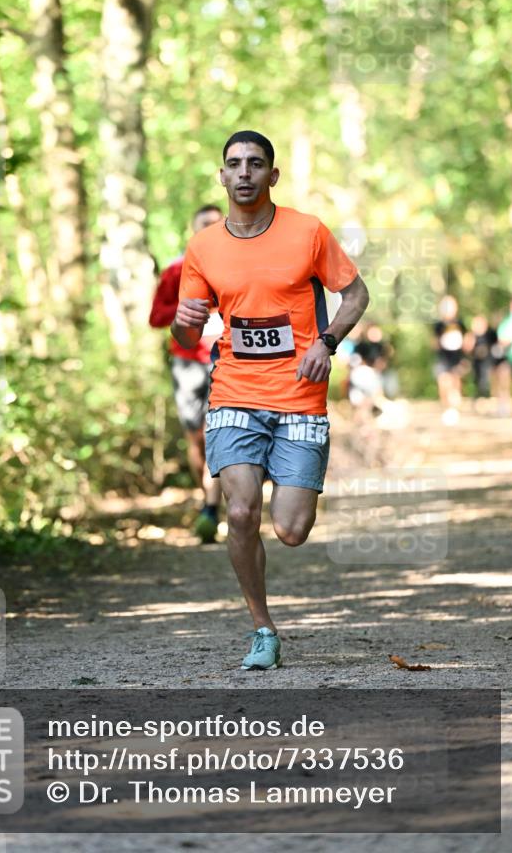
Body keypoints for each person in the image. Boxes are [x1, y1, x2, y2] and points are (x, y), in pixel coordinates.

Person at [171, 131, 369, 670]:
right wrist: (181, 323)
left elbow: (356, 294)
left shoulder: (307, 232)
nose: (244, 173)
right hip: (234, 393)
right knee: (240, 511)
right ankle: (262, 628)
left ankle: (291, 506)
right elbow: (188, 334)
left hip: (300, 395)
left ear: (272, 175)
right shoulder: (204, 246)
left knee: (291, 530)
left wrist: (327, 343)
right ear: (222, 176)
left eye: (255, 164)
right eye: (234, 164)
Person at [149, 206, 224, 542]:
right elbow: (155, 316)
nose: (211, 228)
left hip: (225, 358)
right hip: (186, 362)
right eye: (205, 224)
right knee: (196, 439)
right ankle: (208, 499)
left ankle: (212, 507)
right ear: (193, 230)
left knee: (214, 432)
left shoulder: (237, 265)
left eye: (217, 223)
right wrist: (186, 310)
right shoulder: (176, 269)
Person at [432, 295, 467, 426]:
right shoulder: (439, 325)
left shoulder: (460, 323)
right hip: (443, 358)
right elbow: (434, 342)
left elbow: (467, 339)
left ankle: (454, 409)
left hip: (457, 357)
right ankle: (446, 408)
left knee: (456, 383)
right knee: (443, 382)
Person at [497, 296, 512, 413]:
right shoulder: (507, 321)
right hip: (508, 357)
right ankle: (504, 405)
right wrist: (511, 340)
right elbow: (501, 339)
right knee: (504, 378)